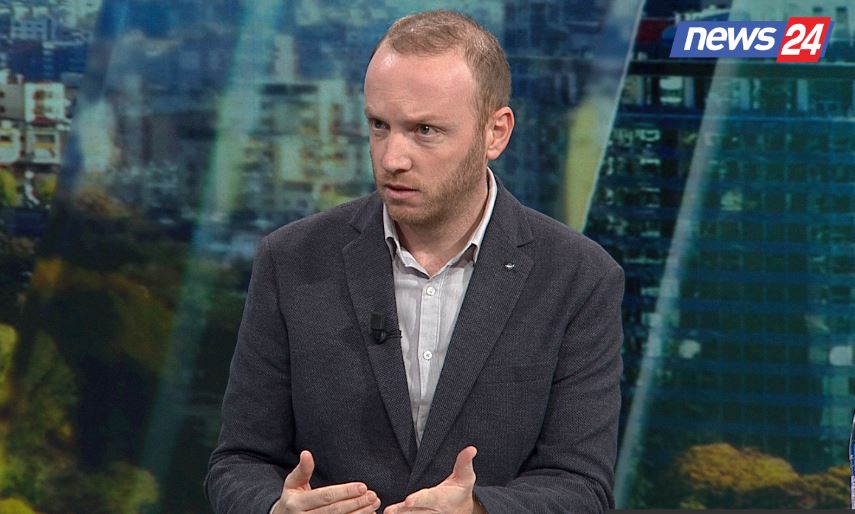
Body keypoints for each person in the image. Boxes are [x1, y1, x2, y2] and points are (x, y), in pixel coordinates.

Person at [205, 9, 624, 514]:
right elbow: (240, 461)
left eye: (425, 130)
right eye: (379, 126)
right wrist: (274, 508)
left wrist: (478, 510)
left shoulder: (579, 278)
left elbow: (582, 485)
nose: (392, 159)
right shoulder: (291, 261)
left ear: (496, 133)